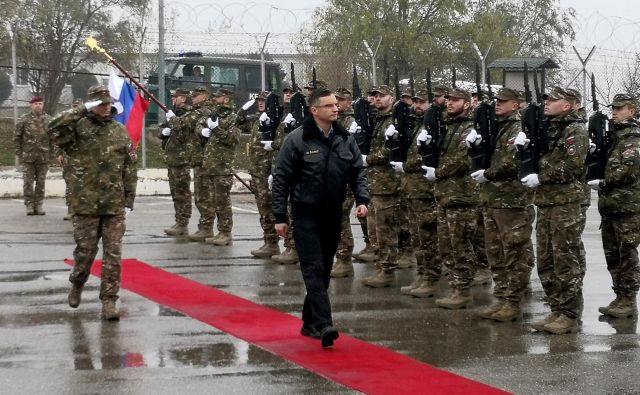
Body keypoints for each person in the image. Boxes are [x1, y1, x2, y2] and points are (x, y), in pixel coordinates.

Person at [271, 88, 369, 348]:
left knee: (323, 270)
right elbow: (281, 178)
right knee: (313, 269)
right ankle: (325, 323)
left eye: (336, 105)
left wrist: (362, 200)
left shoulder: (345, 139)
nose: (335, 109)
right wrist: (279, 216)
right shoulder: (298, 139)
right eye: (328, 106)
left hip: (333, 213)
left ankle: (309, 321)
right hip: (305, 213)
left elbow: (358, 171)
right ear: (314, 110)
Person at [48, 85, 138, 320]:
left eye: (108, 103)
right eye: (101, 103)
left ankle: (109, 301)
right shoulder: (76, 130)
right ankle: (77, 282)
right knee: (85, 253)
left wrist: (129, 199)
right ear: (91, 106)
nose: (106, 107)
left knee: (113, 256)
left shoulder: (120, 131)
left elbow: (129, 166)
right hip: (85, 203)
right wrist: (80, 110)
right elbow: (53, 126)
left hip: (113, 204)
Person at [520, 87, 588, 334]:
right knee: (546, 259)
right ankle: (557, 309)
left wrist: (541, 175)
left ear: (567, 105)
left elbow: (573, 164)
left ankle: (570, 314)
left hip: (565, 203)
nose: (547, 102)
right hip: (547, 202)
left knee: (565, 259)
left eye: (553, 99)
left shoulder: (575, 130)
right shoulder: (549, 127)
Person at [470, 88, 535, 321]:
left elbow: (512, 162)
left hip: (512, 201)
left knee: (514, 253)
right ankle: (502, 297)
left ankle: (513, 302)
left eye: (503, 101)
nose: (497, 104)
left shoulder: (518, 128)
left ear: (516, 105)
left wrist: (487, 173)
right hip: (492, 199)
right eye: (497, 100)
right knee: (495, 253)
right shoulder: (497, 126)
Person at [423, 88, 482, 309]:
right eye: (448, 99)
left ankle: (463, 290)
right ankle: (455, 286)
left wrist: (437, 171)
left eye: (455, 100)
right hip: (445, 195)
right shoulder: (445, 125)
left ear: (467, 104)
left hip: (462, 197)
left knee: (461, 245)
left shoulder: (470, 127)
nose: (449, 103)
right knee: (446, 245)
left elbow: (463, 160)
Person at [589, 93, 640, 319]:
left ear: (632, 110)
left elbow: (628, 169)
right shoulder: (615, 137)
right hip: (610, 206)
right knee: (613, 256)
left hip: (627, 207)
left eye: (621, 108)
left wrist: (603, 181)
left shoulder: (633, 137)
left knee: (626, 254)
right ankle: (619, 296)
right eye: (614, 108)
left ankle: (628, 300)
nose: (615, 112)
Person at [392, 88, 442, 298]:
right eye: (416, 102)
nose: (417, 106)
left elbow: (428, 157)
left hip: (425, 191)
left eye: (422, 102)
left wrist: (406, 164)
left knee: (428, 236)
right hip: (411, 190)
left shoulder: (435, 126)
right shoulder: (416, 125)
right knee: (418, 237)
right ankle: (422, 275)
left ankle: (430, 278)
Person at [360, 85, 402, 288]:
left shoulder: (396, 120)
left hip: (388, 183)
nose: (376, 99)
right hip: (374, 182)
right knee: (374, 228)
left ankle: (387, 269)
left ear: (391, 98)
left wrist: (368, 159)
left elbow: (390, 152)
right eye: (374, 96)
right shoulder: (376, 120)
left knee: (385, 229)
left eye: (381, 96)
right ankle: (380, 265)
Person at [236, 91, 280, 258]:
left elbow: (280, 144)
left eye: (264, 100)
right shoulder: (256, 120)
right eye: (259, 100)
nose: (260, 103)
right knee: (263, 209)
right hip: (256, 172)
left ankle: (275, 243)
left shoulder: (275, 120)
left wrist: (274, 170)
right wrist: (243, 110)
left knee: (269, 208)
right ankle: (269, 242)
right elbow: (238, 122)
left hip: (268, 171)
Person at [200, 88, 240, 246]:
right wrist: (202, 131)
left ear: (226, 99)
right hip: (210, 165)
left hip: (223, 166)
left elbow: (232, 139)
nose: (215, 99)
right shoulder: (213, 114)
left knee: (223, 201)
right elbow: (200, 126)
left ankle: (225, 232)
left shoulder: (233, 117)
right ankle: (219, 231)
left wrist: (216, 129)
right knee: (214, 201)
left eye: (218, 97)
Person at [271, 83, 300, 264]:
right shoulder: (281, 114)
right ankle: (289, 246)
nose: (287, 95)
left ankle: (294, 248)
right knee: (286, 209)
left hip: (294, 169)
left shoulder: (299, 114)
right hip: (281, 166)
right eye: (286, 93)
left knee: (294, 210)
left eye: (291, 92)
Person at [331, 87, 358, 278]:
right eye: (335, 100)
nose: (337, 103)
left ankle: (345, 259)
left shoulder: (350, 121)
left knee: (340, 217)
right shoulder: (334, 120)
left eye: (341, 100)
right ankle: (339, 257)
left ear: (349, 102)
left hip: (345, 176)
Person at [185, 86, 218, 242]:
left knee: (204, 196)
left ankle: (206, 228)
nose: (193, 97)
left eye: (196, 95)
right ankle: (205, 227)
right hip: (198, 158)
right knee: (200, 196)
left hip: (205, 159)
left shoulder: (206, 111)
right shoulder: (198, 110)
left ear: (205, 96)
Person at [161, 88, 193, 236]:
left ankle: (183, 222)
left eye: (176, 97)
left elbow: (183, 130)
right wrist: (163, 133)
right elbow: (166, 129)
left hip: (182, 159)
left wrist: (173, 120)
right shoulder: (175, 113)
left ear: (184, 99)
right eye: (173, 97)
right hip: (172, 158)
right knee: (175, 192)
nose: (173, 99)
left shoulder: (188, 113)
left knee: (182, 192)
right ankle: (178, 220)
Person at [14, 95, 53, 215]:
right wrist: (19, 153)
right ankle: (29, 205)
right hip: (28, 157)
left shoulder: (49, 120)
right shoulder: (24, 119)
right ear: (31, 105)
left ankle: (39, 205)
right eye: (36, 103)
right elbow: (17, 137)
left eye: (40, 103)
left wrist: (52, 154)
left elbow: (53, 138)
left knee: (41, 183)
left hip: (43, 157)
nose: (38, 105)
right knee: (28, 183)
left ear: (43, 105)